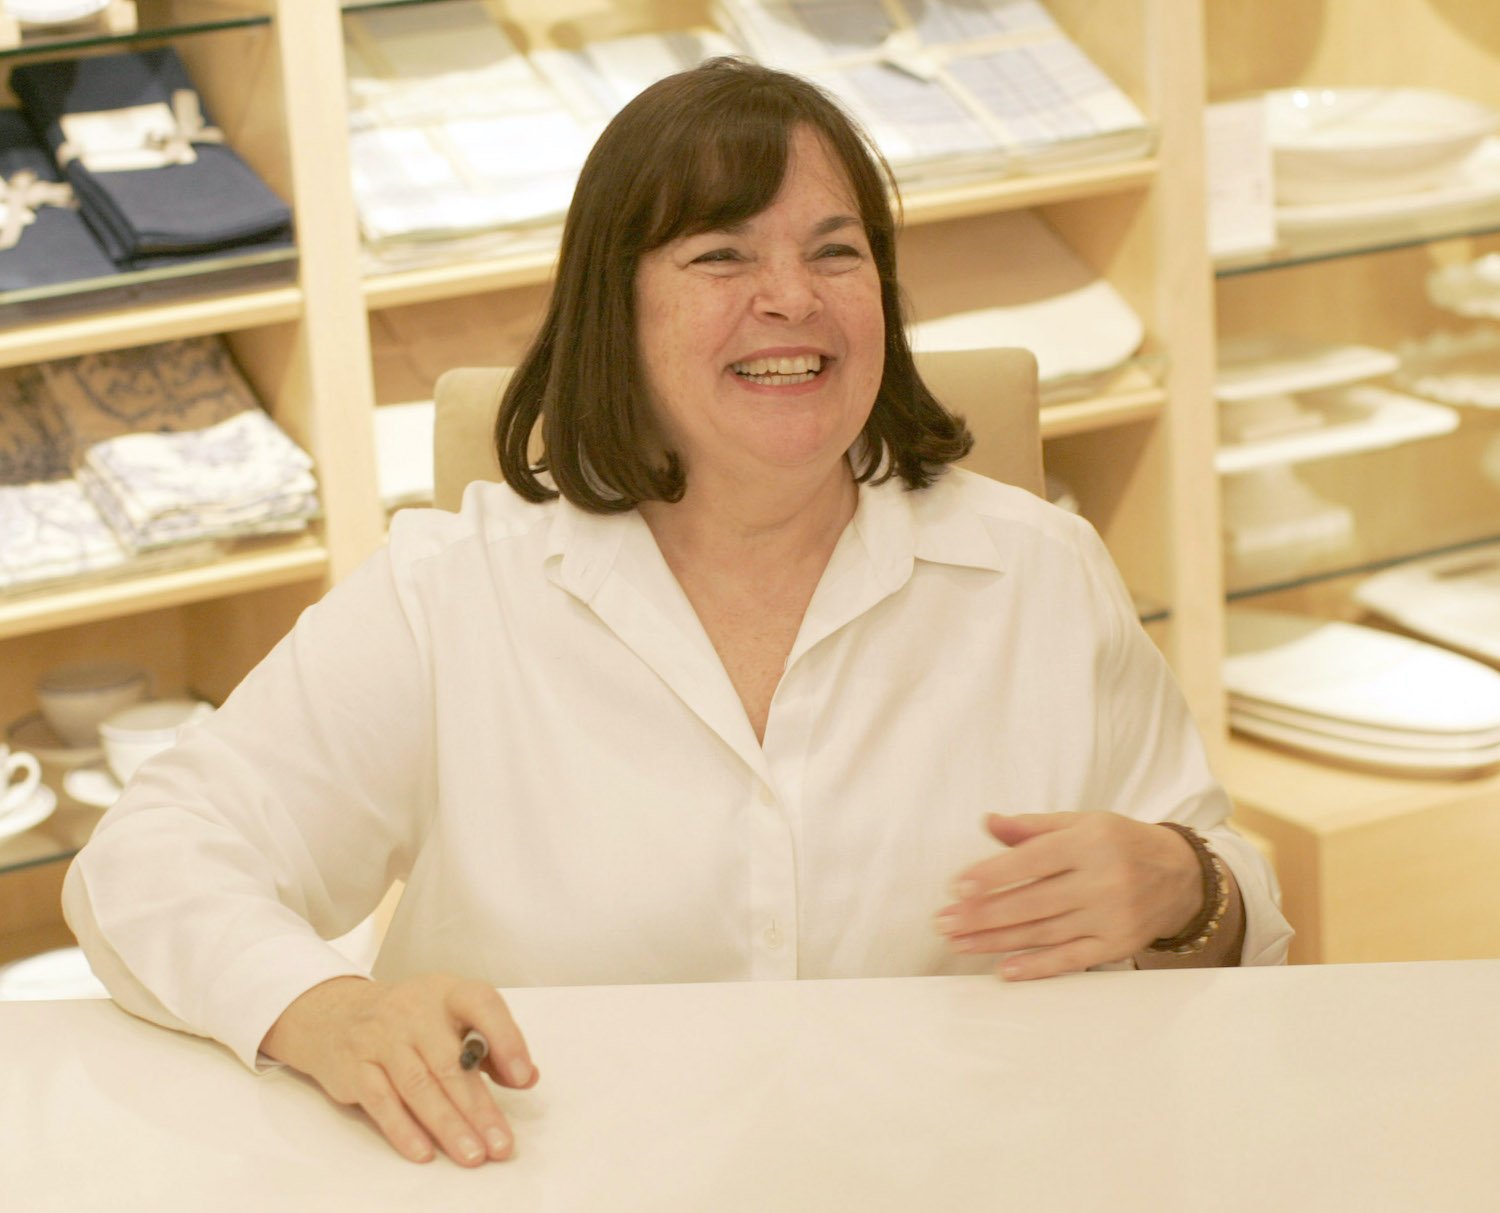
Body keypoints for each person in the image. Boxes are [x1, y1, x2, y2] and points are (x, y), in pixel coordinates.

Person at [64, 57, 1291, 1169]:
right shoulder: (457, 591)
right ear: (620, 310)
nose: (791, 300)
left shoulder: (1038, 572)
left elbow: (1229, 893)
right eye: (721, 257)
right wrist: (323, 1009)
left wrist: (1187, 889)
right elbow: (150, 859)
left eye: (835, 251)